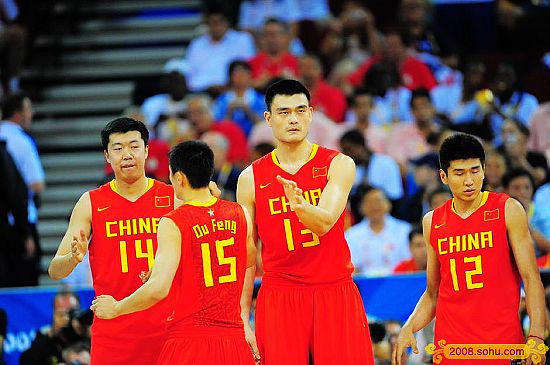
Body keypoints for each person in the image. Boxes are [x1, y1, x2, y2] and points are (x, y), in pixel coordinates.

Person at [237, 79, 374, 364]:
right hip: (280, 293)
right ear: (268, 118)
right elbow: (247, 254)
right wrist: (242, 316)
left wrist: (300, 206)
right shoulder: (250, 178)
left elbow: (324, 223)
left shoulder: (338, 164)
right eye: (284, 112)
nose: (293, 119)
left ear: (311, 113)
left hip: (333, 289)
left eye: (300, 110)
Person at [91, 140, 258, 365]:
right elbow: (247, 260)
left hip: (190, 342)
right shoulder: (240, 214)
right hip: (233, 341)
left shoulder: (173, 221)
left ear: (179, 178)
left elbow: (158, 289)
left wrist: (116, 308)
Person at [393, 133, 546, 365]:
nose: (469, 181)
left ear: (484, 170)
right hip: (451, 350)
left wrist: (535, 334)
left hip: (501, 348)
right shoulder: (432, 221)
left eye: (475, 171)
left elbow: (532, 278)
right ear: (443, 176)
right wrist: (408, 327)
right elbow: (433, 293)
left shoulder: (507, 209)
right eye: (459, 173)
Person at [48, 118, 177, 365]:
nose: (126, 155)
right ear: (107, 156)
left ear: (147, 150)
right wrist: (73, 258)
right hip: (114, 330)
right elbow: (55, 270)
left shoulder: (172, 197)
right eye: (118, 149)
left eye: (134, 146)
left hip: (168, 327)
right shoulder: (91, 202)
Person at [0, 92, 43, 286]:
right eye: (28, 110)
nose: (31, 114)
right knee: (23, 280)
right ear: (18, 114)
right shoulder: (23, 141)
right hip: (19, 221)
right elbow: (36, 184)